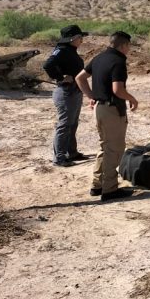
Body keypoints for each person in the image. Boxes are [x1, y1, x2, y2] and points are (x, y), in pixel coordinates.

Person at [76, 31, 138, 201]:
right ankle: (109, 189)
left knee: (104, 147)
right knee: (114, 149)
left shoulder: (98, 58)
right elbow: (117, 89)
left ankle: (97, 185)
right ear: (123, 45)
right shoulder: (118, 61)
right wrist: (132, 99)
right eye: (128, 46)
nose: (129, 49)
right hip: (112, 110)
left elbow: (80, 78)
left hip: (99, 109)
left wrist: (92, 96)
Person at [42, 24, 90, 166]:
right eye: (79, 37)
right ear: (71, 39)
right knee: (65, 125)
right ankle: (59, 158)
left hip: (74, 91)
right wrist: (60, 77)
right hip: (66, 92)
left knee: (72, 124)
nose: (82, 40)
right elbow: (48, 65)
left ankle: (71, 153)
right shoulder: (61, 50)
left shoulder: (70, 50)